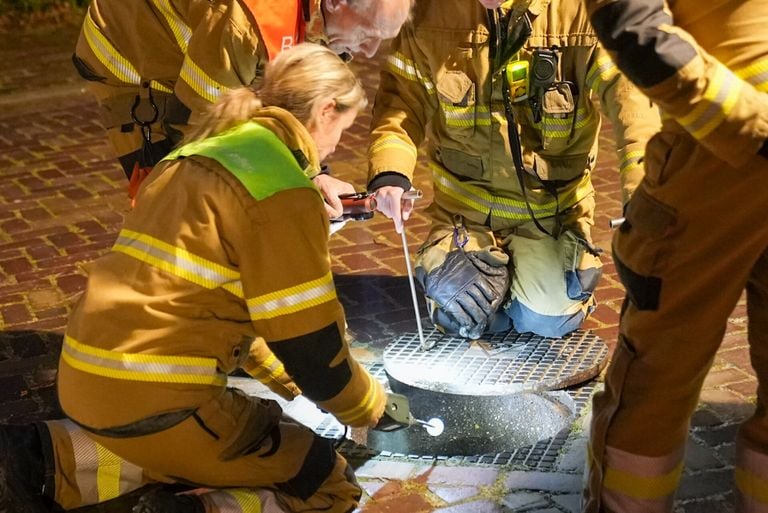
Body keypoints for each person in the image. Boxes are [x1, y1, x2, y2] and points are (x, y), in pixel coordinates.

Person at [0, 43, 389, 513]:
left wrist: (290, 387)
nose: (333, 148)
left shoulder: (191, 156)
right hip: (165, 400)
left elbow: (246, 321)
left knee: (152, 445)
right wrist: (367, 406)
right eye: (342, 131)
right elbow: (309, 344)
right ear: (326, 111)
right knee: (326, 483)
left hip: (85, 383)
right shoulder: (282, 189)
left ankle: (45, 459)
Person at [366, 0, 661, 340]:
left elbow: (635, 105)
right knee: (461, 309)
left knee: (547, 319)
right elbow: (400, 100)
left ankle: (537, 279)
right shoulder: (432, 11)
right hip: (465, 214)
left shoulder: (582, 11)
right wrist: (390, 174)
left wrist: (643, 194)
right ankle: (450, 259)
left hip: (550, 215)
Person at [575, 1, 768, 511]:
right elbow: (633, 28)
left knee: (654, 384)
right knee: (658, 382)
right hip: (719, 156)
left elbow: (633, 27)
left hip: (712, 165)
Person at [72, 0, 412, 216]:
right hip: (133, 60)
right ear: (337, 3)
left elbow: (286, 96)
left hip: (207, 56)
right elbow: (202, 127)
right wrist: (287, 181)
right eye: (369, 33)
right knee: (181, 197)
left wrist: (312, 173)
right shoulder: (244, 21)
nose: (369, 51)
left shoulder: (319, 12)